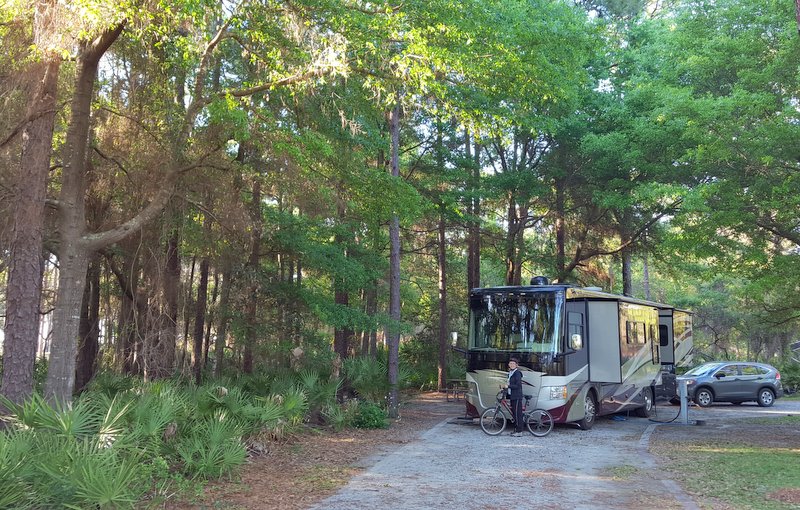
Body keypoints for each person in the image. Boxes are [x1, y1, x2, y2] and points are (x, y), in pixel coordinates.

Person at [503, 357, 524, 436]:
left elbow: (518, 385)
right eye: (510, 363)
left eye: (513, 364)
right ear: (508, 364)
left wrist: (508, 386)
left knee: (518, 414)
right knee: (514, 414)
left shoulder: (517, 373)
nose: (512, 365)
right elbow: (509, 384)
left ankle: (519, 431)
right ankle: (516, 429)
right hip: (512, 396)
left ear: (516, 365)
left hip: (517, 396)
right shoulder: (510, 373)